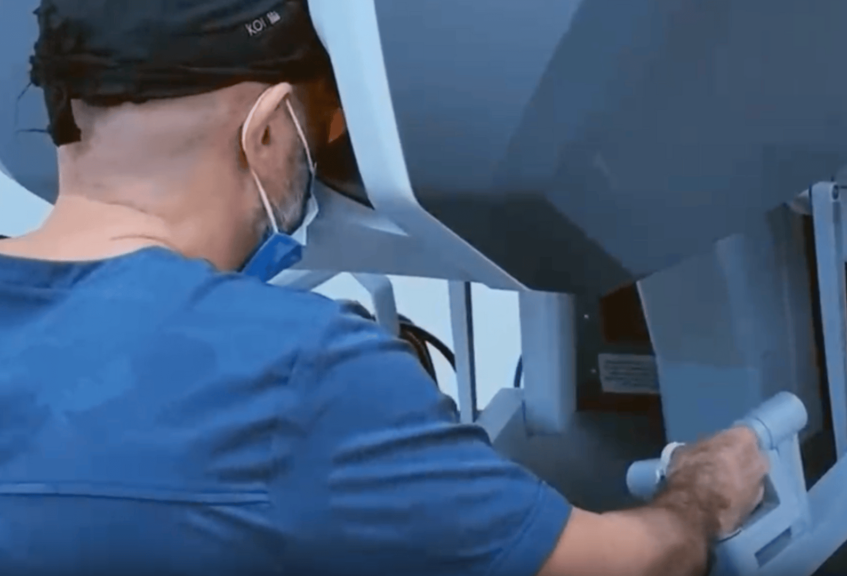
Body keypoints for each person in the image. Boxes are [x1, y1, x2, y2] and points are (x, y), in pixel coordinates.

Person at [0, 1, 768, 575]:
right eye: (326, 127)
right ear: (268, 131)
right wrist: (699, 497)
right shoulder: (297, 369)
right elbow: (625, 565)